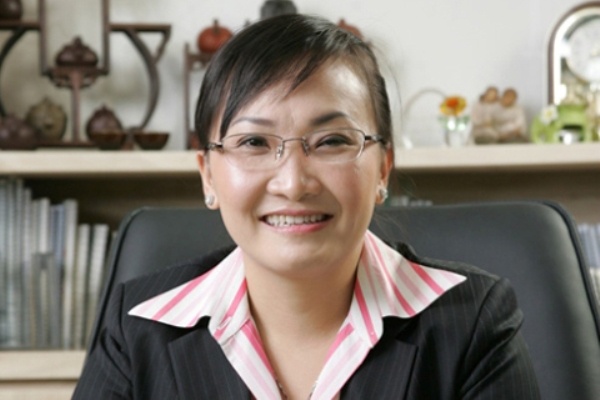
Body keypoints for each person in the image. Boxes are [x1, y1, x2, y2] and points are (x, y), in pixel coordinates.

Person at [73, 14, 540, 399]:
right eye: (254, 142)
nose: (294, 183)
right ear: (207, 175)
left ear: (383, 168)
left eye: (332, 141)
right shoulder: (137, 328)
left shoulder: (473, 323)